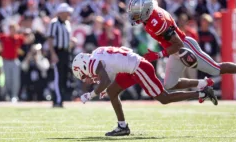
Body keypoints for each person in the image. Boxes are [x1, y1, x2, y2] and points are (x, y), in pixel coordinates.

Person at [126, 0, 236, 93]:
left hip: (184, 47)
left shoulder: (157, 23)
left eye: (137, 13)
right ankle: (202, 84)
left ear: (145, 11)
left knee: (215, 69)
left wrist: (158, 55)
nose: (135, 16)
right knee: (169, 85)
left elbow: (178, 44)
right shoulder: (153, 10)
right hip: (174, 50)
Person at [72, 46, 217, 136]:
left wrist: (90, 95)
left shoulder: (92, 63)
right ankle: (122, 126)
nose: (88, 79)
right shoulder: (97, 53)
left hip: (138, 67)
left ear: (83, 66)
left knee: (164, 98)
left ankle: (202, 92)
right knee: (112, 91)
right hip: (132, 66)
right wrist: (103, 88)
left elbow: (105, 80)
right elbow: (116, 62)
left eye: (85, 76)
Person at [46, 3, 73, 107]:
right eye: (67, 12)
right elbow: (50, 39)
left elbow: (67, 38)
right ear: (61, 13)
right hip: (57, 51)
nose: (68, 14)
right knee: (58, 77)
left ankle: (61, 98)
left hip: (66, 52)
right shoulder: (54, 23)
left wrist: (71, 41)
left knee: (64, 77)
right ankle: (57, 100)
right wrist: (53, 53)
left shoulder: (67, 23)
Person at [0, 23, 24, 102]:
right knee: (7, 79)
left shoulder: (19, 38)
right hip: (5, 60)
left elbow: (28, 40)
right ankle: (6, 95)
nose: (12, 31)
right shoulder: (4, 37)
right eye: (11, 29)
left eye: (14, 29)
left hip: (14, 60)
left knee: (15, 79)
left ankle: (14, 95)